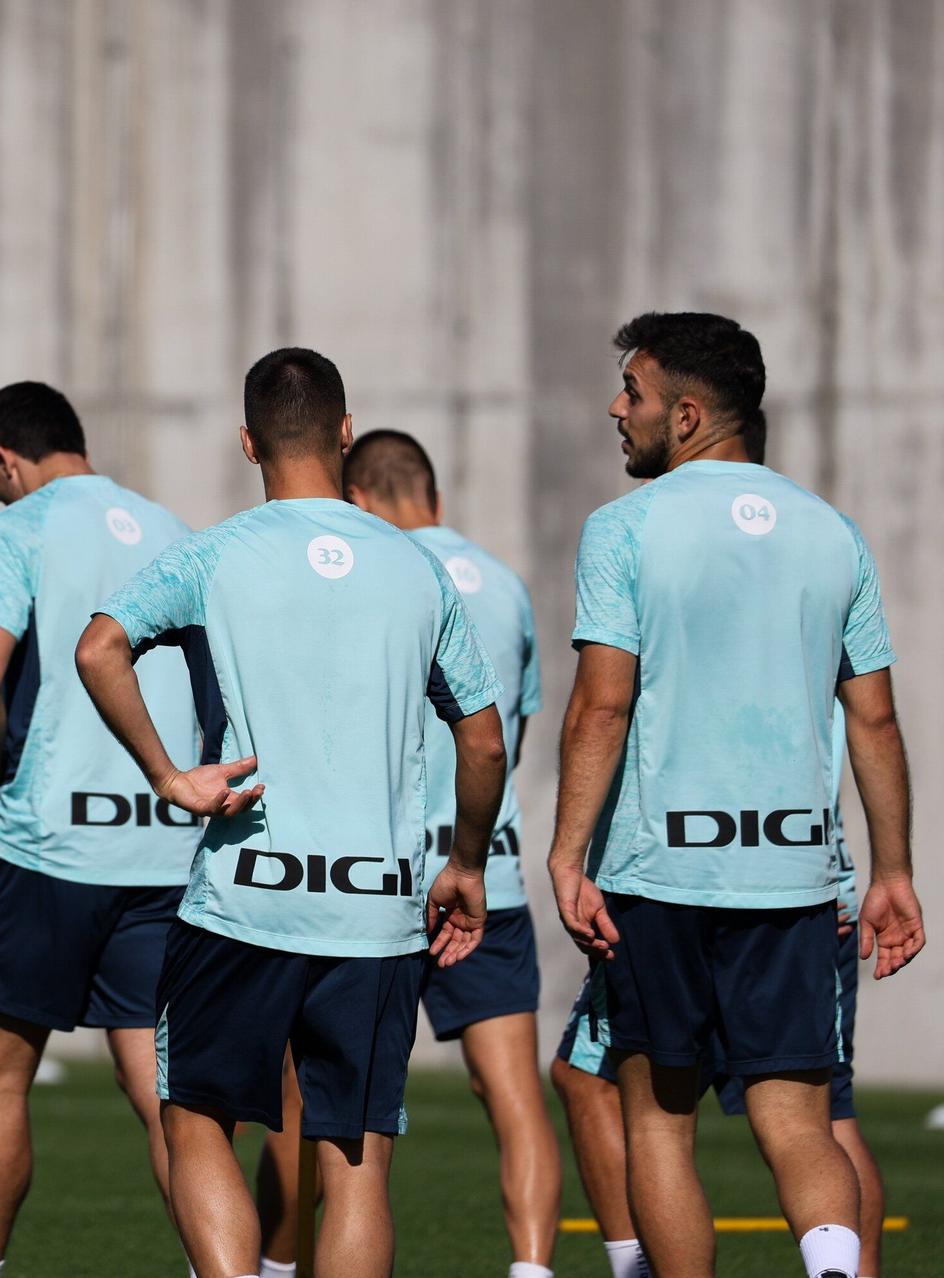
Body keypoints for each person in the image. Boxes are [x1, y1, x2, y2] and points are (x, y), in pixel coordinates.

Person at [75, 347, 508, 1278]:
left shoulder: (211, 554)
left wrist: (167, 776)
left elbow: (98, 646)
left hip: (245, 898)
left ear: (246, 442)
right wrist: (466, 865)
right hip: (378, 912)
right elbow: (483, 741)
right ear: (347, 432)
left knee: (194, 1121)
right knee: (355, 1167)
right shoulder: (418, 569)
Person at [547, 312, 925, 1278]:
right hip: (795, 875)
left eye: (630, 393)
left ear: (684, 415)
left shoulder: (624, 527)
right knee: (800, 1121)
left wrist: (564, 853)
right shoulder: (831, 530)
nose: (614, 409)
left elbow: (602, 704)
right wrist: (894, 870)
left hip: (660, 874)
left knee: (661, 1123)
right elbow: (874, 720)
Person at [254, 429, 560, 1278]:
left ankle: (276, 1268)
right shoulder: (501, 583)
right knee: (513, 1093)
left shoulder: (368, 576)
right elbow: (503, 740)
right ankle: (532, 1268)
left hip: (371, 880)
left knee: (309, 1100)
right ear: (432, 492)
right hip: (482, 871)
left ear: (358, 500)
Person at [0, 382, 221, 1278]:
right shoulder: (178, 529)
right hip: (165, 850)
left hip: (49, 850)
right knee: (167, 1098)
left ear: (4, 461)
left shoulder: (16, 529)